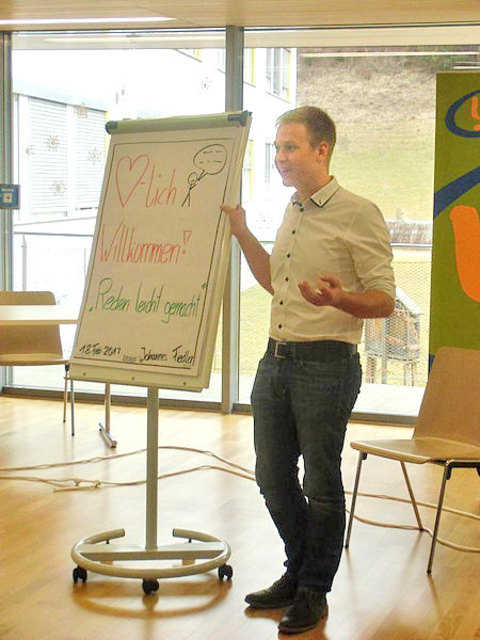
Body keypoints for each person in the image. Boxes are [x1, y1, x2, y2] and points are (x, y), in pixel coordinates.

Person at [221, 106, 395, 635]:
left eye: (290, 147)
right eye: (276, 148)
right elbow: (275, 279)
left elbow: (384, 300)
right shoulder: (292, 210)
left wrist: (343, 299)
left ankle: (312, 589)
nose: (279, 158)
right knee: (272, 475)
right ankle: (301, 572)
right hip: (274, 360)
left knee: (320, 483)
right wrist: (242, 232)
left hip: (326, 364)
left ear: (323, 150)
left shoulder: (358, 212)